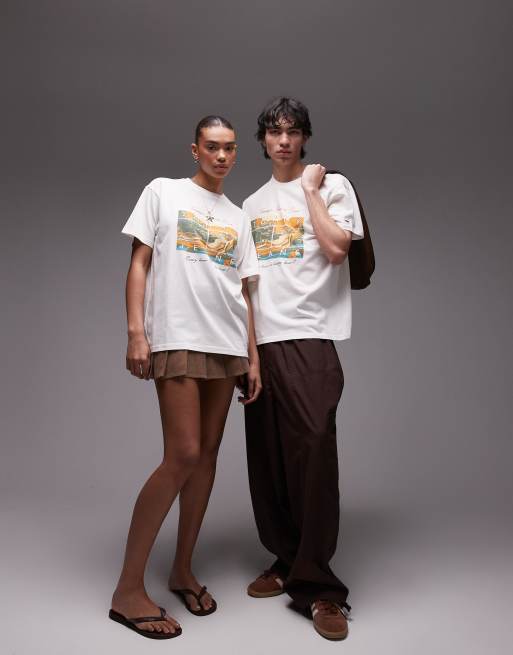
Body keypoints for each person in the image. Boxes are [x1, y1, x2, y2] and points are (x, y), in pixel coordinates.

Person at [109, 116, 261, 640]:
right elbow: (139, 263)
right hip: (176, 336)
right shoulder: (163, 192)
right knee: (183, 454)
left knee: (207, 457)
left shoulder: (239, 218)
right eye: (212, 147)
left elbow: (244, 292)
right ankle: (128, 589)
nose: (222, 156)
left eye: (230, 148)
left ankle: (182, 570)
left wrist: (253, 357)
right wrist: (137, 332)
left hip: (226, 344)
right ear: (195, 150)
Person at [242, 97, 364, 641]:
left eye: (293, 131)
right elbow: (245, 287)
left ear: (305, 138)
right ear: (263, 140)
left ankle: (320, 588)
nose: (284, 140)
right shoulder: (250, 205)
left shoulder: (332, 186)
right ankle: (286, 559)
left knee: (313, 452)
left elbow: (337, 250)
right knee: (268, 460)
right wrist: (248, 354)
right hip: (261, 343)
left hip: (310, 336)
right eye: (275, 132)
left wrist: (311, 192)